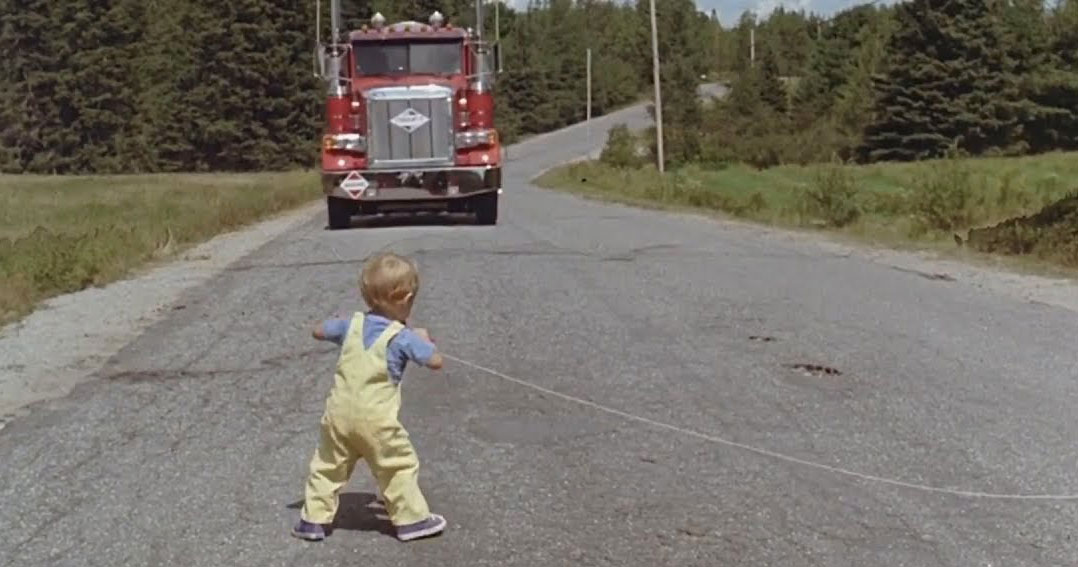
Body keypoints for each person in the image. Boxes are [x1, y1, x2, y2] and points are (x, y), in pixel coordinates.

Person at [292, 252, 446, 543]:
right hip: (376, 420)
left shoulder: (352, 324)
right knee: (397, 465)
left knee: (327, 467)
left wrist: (338, 322)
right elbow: (436, 362)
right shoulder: (403, 336)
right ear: (406, 297)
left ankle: (313, 520)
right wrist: (423, 339)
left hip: (337, 417)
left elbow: (317, 331)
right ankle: (412, 519)